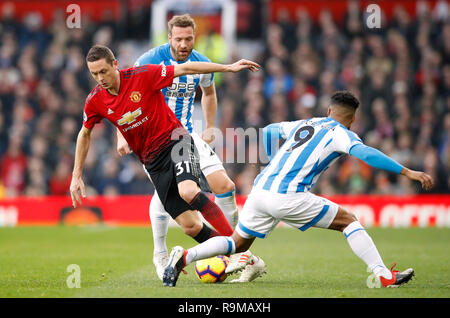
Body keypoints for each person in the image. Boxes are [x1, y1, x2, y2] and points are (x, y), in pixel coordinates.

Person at [162, 90, 435, 288]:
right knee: (349, 221)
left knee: (237, 243)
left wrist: (269, 162)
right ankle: (383, 274)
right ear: (352, 120)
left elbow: (268, 130)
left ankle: (183, 257)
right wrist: (408, 171)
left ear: (329, 111)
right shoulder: (342, 133)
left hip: (260, 192)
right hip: (288, 196)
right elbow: (366, 154)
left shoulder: (308, 123)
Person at [69, 45, 260, 274]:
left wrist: (228, 67)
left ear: (115, 65)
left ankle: (241, 251)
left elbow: (187, 67)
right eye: (94, 74)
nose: (100, 78)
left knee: (189, 191)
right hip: (152, 162)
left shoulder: (143, 75)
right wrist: (76, 175)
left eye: (103, 71)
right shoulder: (95, 100)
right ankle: (238, 256)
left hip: (177, 141)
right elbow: (85, 133)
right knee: (190, 227)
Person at [116, 14, 266, 282]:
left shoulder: (202, 63)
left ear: (194, 37)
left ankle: (235, 248)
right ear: (169, 37)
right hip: (154, 140)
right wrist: (121, 137)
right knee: (177, 207)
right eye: (178, 39)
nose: (184, 44)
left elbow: (209, 92)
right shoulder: (150, 60)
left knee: (225, 186)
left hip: (186, 135)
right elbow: (123, 97)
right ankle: (160, 253)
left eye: (188, 39)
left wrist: (209, 126)